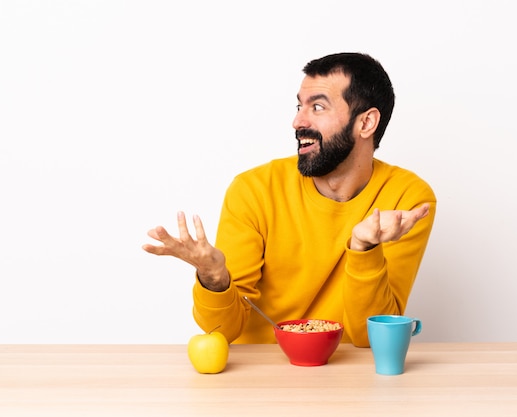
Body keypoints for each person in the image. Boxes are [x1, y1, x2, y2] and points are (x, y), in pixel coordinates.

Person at [143, 52, 436, 347]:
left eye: (317, 107)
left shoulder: (407, 200)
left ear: (366, 123)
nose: (297, 121)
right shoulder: (254, 190)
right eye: (299, 106)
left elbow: (370, 338)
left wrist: (364, 248)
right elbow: (223, 329)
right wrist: (213, 277)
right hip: (258, 376)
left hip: (349, 376)